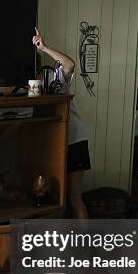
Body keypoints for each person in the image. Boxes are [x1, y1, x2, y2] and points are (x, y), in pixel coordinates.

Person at [32, 28, 90, 218]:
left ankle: (86, 247)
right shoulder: (26, 89)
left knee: (75, 198)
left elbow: (70, 64)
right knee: (56, 200)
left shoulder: (54, 77)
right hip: (53, 146)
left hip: (74, 140)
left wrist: (45, 48)